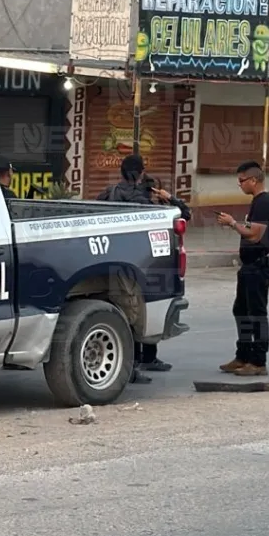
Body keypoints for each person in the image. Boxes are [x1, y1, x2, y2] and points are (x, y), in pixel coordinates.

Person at [95, 155, 190, 378]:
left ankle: (145, 359)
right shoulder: (143, 200)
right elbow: (185, 215)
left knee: (124, 310)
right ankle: (134, 366)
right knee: (138, 312)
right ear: (140, 172)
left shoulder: (107, 194)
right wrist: (170, 199)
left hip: (112, 261)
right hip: (141, 264)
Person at [216, 161, 269, 376]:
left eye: (242, 181)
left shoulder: (264, 202)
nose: (240, 185)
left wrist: (233, 223)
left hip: (260, 265)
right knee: (241, 310)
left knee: (256, 314)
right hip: (249, 266)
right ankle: (242, 355)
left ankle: (258, 361)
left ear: (253, 180)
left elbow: (255, 234)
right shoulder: (257, 202)